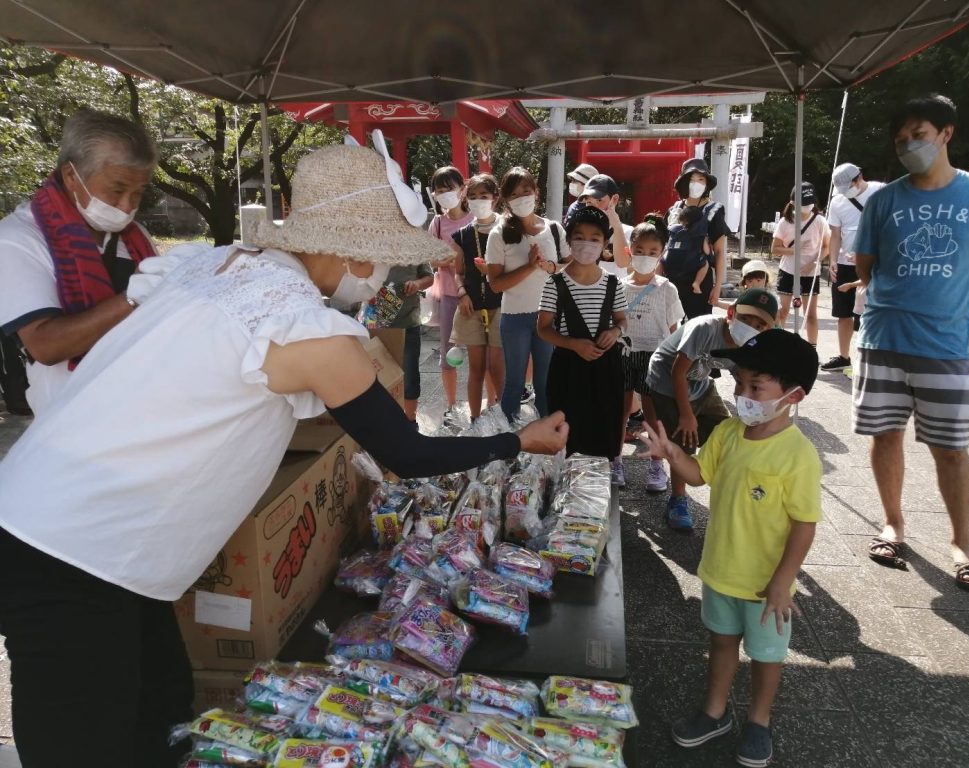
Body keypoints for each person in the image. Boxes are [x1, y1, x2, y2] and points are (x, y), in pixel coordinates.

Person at [0, 136, 570, 768]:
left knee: (160, 705)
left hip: (83, 526)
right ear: (346, 247)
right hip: (72, 544)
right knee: (86, 742)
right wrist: (519, 438)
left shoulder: (219, 264)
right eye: (379, 258)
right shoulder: (303, 325)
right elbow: (407, 452)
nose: (380, 275)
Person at [639, 328, 821, 768]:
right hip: (720, 570)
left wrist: (783, 582)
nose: (742, 393)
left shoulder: (798, 456)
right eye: (739, 383)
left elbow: (804, 524)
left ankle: (759, 720)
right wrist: (669, 454)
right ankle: (715, 711)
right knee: (721, 643)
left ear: (793, 395)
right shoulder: (729, 433)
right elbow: (700, 474)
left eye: (756, 386)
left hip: (766, 587)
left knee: (767, 656)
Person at [852, 94, 969, 592]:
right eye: (901, 140)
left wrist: (957, 305)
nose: (908, 146)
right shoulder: (883, 199)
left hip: (946, 343)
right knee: (885, 435)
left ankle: (963, 543)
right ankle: (893, 523)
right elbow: (865, 266)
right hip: (883, 337)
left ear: (946, 133)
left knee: (952, 448)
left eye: (918, 135)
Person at [0, 107, 161, 416]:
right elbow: (46, 345)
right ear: (72, 176)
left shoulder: (134, 237)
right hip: (70, 415)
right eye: (117, 189)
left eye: (138, 193)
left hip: (142, 402)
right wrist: (134, 297)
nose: (127, 206)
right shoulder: (18, 239)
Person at [645, 288, 779, 530]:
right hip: (667, 382)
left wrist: (752, 412)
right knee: (684, 440)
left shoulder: (750, 346)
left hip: (700, 384)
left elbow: (745, 380)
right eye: (746, 319)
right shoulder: (705, 328)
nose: (751, 327)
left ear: (767, 331)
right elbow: (678, 371)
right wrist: (686, 415)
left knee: (726, 434)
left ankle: (732, 495)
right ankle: (677, 499)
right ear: (730, 312)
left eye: (759, 325)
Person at [538, 206, 628, 460]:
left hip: (606, 368)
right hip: (568, 369)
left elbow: (622, 320)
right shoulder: (555, 283)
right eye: (579, 236)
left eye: (595, 238)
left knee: (604, 429)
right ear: (568, 241)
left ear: (605, 244)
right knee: (569, 432)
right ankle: (567, 487)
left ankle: (603, 482)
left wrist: (615, 331)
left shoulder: (613, 283)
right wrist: (572, 344)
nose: (586, 244)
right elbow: (543, 328)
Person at [485, 167, 568, 422]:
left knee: (545, 382)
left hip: (547, 316)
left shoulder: (553, 229)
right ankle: (510, 447)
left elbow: (568, 264)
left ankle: (547, 442)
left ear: (536, 193)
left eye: (526, 191)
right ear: (505, 200)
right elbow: (496, 285)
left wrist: (552, 267)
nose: (521, 198)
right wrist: (530, 266)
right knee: (515, 383)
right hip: (515, 318)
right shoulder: (499, 234)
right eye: (513, 193)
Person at [612, 213, 683, 491]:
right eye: (640, 250)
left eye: (652, 252)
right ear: (630, 251)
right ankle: (615, 462)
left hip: (655, 357)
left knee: (654, 415)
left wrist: (673, 362)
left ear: (661, 254)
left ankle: (656, 465)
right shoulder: (617, 286)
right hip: (623, 353)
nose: (645, 256)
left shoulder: (667, 289)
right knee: (620, 411)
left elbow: (674, 329)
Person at [450, 173, 505, 421]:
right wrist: (461, 293)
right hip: (470, 308)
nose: (478, 201)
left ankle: (504, 418)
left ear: (495, 198)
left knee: (497, 367)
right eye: (473, 197)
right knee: (476, 368)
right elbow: (458, 272)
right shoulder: (462, 235)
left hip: (502, 305)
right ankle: (474, 419)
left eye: (484, 196)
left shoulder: (507, 229)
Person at [821, 163, 885, 372]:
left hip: (877, 263)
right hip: (844, 262)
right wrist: (832, 260)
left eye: (849, 186)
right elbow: (836, 235)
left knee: (875, 312)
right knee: (843, 311)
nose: (846, 192)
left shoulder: (881, 191)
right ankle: (843, 356)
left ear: (859, 177)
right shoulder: (837, 202)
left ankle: (874, 360)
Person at [428, 166, 476, 423]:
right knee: (448, 356)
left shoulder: (476, 218)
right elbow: (430, 258)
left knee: (485, 353)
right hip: (448, 296)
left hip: (478, 296)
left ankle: (490, 403)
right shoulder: (437, 224)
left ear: (463, 189)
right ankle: (452, 405)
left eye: (450, 188)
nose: (446, 194)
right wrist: (449, 259)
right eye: (440, 190)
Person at [361, 261, 434, 422]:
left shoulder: (415, 242)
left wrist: (417, 284)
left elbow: (429, 277)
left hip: (408, 319)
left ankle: (410, 421)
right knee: (375, 372)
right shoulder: (372, 242)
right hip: (375, 319)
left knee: (410, 373)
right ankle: (381, 421)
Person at [666, 158, 729, 317]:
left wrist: (718, 286)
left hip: (699, 279)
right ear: (683, 183)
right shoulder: (674, 210)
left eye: (701, 179)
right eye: (691, 179)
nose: (696, 183)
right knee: (670, 325)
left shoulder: (714, 210)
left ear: (707, 183)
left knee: (698, 325)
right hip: (671, 278)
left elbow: (720, 251)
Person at [772, 182, 830, 346]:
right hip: (788, 270)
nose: (807, 206)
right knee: (783, 312)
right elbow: (775, 249)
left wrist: (815, 262)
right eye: (803, 203)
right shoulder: (785, 222)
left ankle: (812, 348)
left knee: (810, 314)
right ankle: (778, 346)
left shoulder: (820, 221)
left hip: (811, 273)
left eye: (810, 202)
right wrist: (793, 250)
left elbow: (827, 246)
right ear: (792, 203)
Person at [578, 173, 631, 277]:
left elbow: (623, 262)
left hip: (616, 292)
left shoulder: (628, 232)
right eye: (589, 203)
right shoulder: (580, 231)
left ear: (614, 199)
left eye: (599, 200)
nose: (595, 207)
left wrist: (617, 227)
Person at [663, 204, 711, 300]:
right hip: (690, 264)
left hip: (671, 261)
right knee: (705, 264)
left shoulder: (674, 229)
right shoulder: (700, 234)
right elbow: (707, 252)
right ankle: (697, 283)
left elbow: (667, 244)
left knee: (662, 259)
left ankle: (657, 275)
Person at [563, 162, 600, 227]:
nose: (571, 183)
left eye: (574, 181)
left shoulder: (595, 210)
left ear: (586, 184)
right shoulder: (573, 205)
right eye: (571, 180)